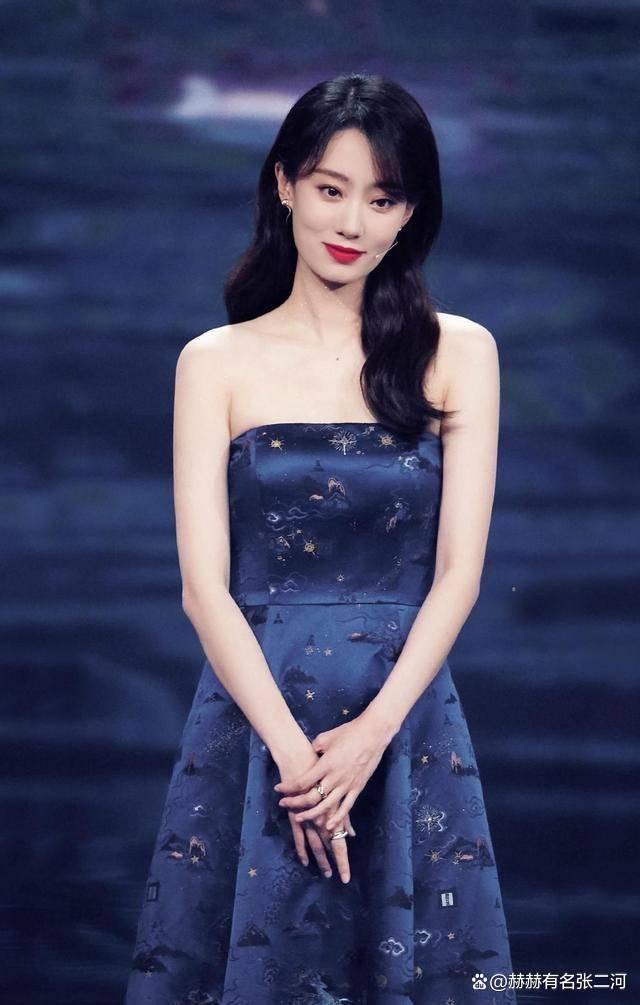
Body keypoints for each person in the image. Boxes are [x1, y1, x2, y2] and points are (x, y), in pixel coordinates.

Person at [124, 72, 517, 1005]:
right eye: (331, 189)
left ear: (410, 212)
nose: (352, 222)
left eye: (382, 199)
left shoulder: (459, 351)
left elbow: (460, 574)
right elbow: (204, 589)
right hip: (256, 718)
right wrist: (297, 762)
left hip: (403, 716)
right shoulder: (214, 362)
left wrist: (370, 738)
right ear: (284, 184)